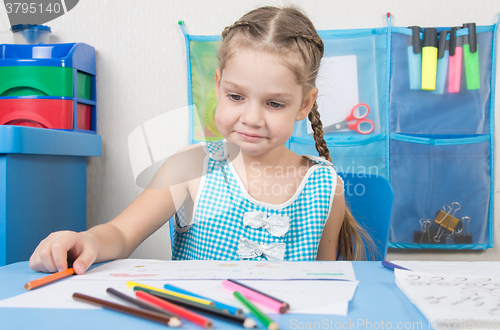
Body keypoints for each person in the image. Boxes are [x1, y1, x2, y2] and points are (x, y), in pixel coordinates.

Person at [29, 6, 373, 275]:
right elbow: (121, 234)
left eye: (274, 103)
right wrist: (84, 241)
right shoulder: (190, 166)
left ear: (306, 103)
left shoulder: (327, 186)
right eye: (236, 96)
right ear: (219, 84)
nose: (251, 118)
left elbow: (330, 282)